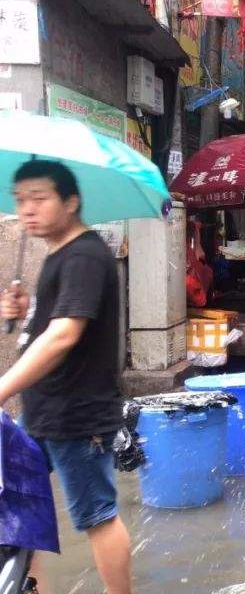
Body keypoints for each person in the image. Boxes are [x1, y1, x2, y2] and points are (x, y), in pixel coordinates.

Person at [0, 160, 132, 593]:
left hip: (76, 418)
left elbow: (63, 335)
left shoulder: (85, 255)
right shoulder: (59, 255)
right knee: (19, 503)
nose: (28, 210)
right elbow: (47, 327)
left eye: (39, 199)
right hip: (42, 412)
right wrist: (18, 315)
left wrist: (2, 388)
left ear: (70, 201)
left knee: (97, 516)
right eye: (21, 200)